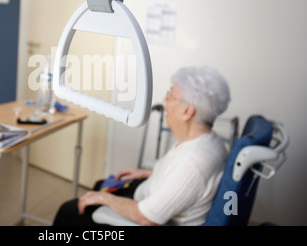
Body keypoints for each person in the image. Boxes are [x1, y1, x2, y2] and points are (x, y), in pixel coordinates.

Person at [53, 66, 231, 226]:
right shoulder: (209, 141)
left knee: (69, 212)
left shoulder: (193, 163)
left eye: (170, 95)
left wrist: (104, 198)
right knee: (102, 184)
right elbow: (180, 180)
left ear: (187, 111)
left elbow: (147, 218)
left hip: (146, 215)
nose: (164, 100)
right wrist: (148, 173)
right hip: (150, 195)